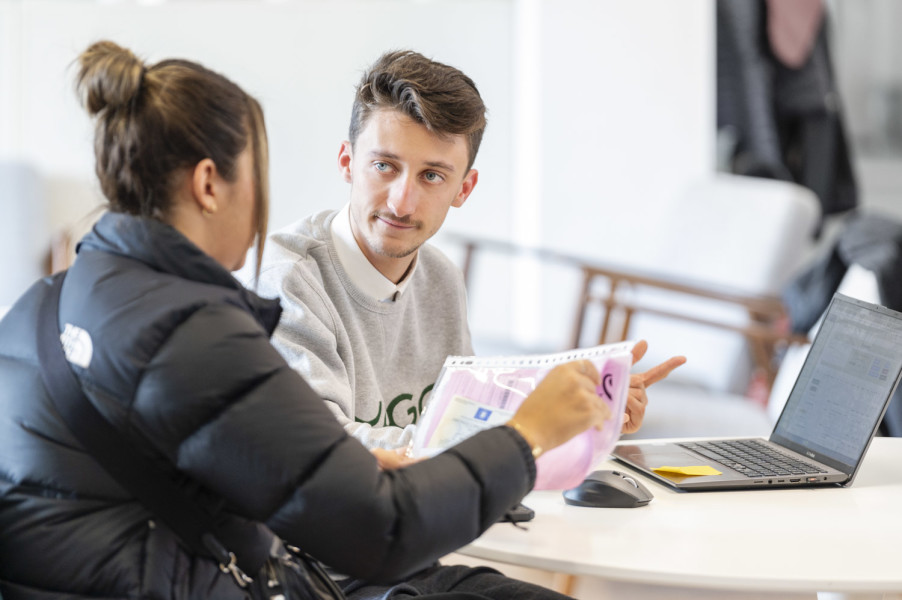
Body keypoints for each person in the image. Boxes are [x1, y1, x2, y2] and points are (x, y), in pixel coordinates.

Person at [0, 41, 616, 600]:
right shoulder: (195, 334)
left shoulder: (48, 301)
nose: (403, 198)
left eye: (432, 175)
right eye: (259, 175)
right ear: (212, 185)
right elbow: (379, 532)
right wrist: (525, 437)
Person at [245, 50, 686, 455]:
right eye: (384, 166)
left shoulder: (440, 276)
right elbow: (324, 446)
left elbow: (458, 419)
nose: (402, 202)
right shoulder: (285, 280)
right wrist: (530, 429)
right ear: (347, 162)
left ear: (464, 189)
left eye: (432, 176)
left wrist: (585, 414)